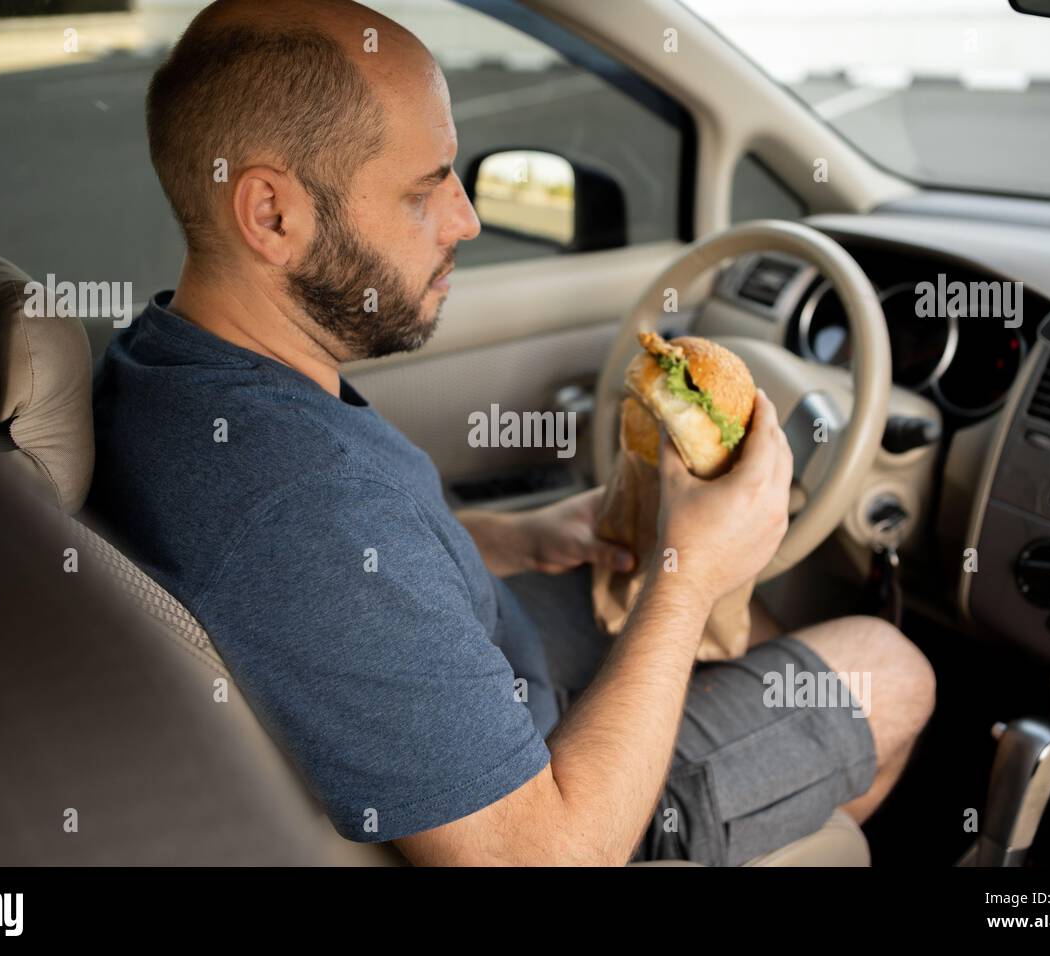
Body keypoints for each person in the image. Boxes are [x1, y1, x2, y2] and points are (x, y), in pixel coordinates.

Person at [89, 0, 936, 866]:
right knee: (891, 663)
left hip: (481, 683)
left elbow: (357, 582)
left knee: (751, 627)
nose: (466, 219)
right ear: (271, 215)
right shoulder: (304, 504)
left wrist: (512, 540)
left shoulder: (167, 364)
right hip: (552, 814)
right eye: (426, 189)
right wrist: (687, 580)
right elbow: (540, 856)